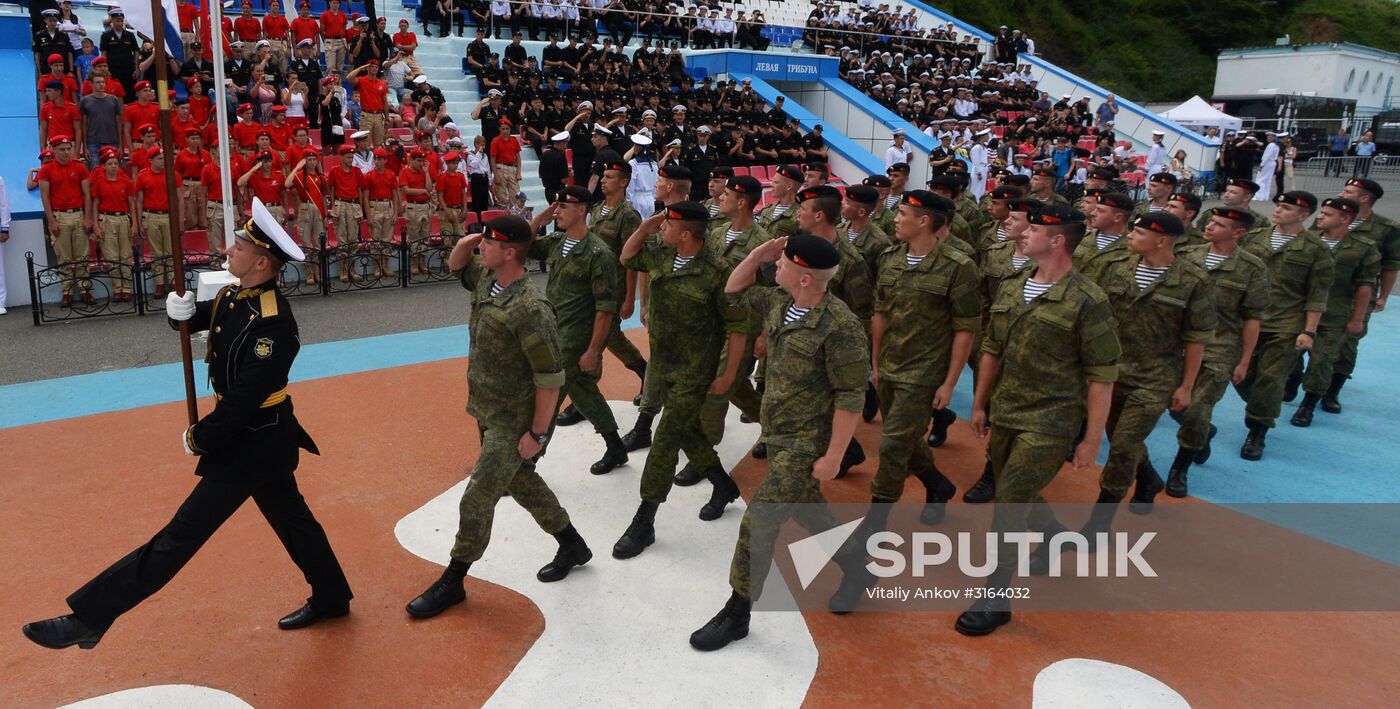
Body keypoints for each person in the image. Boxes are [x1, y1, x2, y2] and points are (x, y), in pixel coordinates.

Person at [22, 199, 354, 650]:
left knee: (179, 536)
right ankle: (333, 597)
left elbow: (243, 402)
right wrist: (178, 312)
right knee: (295, 523)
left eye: (237, 247)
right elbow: (199, 324)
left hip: (254, 443)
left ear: (260, 261)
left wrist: (202, 437)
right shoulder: (231, 296)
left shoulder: (275, 325)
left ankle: (89, 617)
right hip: (256, 440)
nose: (227, 251)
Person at [689, 234, 870, 651]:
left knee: (762, 519)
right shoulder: (778, 303)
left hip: (807, 441)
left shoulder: (839, 326)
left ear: (805, 278)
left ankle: (738, 612)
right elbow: (733, 288)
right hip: (778, 431)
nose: (776, 267)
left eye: (783, 262)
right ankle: (857, 565)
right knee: (809, 511)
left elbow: (850, 397)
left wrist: (834, 456)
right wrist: (757, 254)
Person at [405, 215, 590, 619]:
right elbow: (456, 265)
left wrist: (538, 434)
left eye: (489, 244)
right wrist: (474, 238)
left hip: (515, 420)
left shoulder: (529, 308)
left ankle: (453, 581)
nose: (480, 248)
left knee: (479, 496)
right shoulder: (489, 281)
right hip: (488, 408)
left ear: (510, 253)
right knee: (520, 481)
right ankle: (571, 542)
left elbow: (550, 378)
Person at [955, 204, 1120, 636]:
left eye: (1034, 228)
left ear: (1058, 239)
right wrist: (979, 403)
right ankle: (1052, 534)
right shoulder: (1015, 286)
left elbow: (1101, 376)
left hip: (1051, 418)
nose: (1022, 233)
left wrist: (1092, 440)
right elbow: (991, 348)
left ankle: (996, 597)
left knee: (1010, 500)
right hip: (1007, 409)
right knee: (1017, 488)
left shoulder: (1088, 299)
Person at [612, 201, 748, 561]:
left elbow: (737, 328)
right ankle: (723, 485)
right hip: (663, 365)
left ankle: (644, 521)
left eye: (668, 226)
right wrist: (644, 229)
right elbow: (628, 257)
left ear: (686, 234)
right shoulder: (662, 255)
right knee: (687, 431)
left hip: (694, 370)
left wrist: (729, 374)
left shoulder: (718, 272)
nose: (662, 230)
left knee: (665, 440)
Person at [1079, 212, 1214, 539]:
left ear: (1162, 240)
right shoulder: (1114, 267)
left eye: (1138, 233)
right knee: (1120, 438)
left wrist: (1186, 386)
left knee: (1123, 446)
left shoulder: (1194, 280)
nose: (1130, 236)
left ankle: (1100, 522)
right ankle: (1149, 478)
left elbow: (1196, 339)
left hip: (1154, 377)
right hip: (1111, 372)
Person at [526, 186, 630, 473]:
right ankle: (616, 447)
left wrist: (594, 350)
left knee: (550, 393)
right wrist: (540, 219)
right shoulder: (559, 242)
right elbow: (524, 244)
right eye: (556, 206)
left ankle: (529, 460)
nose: (557, 210)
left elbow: (606, 308)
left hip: (576, 336)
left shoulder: (599, 253)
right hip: (556, 330)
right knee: (583, 391)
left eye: (563, 206)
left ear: (582, 209)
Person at [1165, 208, 1267, 497]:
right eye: (1210, 221)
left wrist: (1245, 360)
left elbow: (1252, 318)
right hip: (1179, 345)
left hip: (1219, 348)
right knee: (1171, 404)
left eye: (1219, 224)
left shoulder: (1251, 267)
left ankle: (1180, 468)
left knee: (1197, 409)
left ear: (1239, 233)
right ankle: (1202, 434)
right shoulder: (1188, 256)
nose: (1209, 226)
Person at [1234, 191, 1332, 460]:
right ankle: (1265, 402)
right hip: (1248, 321)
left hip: (1286, 324)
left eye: (1286, 207)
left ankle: (1258, 431)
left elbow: (1318, 294)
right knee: (1241, 376)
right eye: (1278, 205)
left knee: (1270, 378)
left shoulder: (1315, 249)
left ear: (1303, 215)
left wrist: (1309, 331)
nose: (1277, 210)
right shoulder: (1254, 238)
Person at [1289, 198, 1379, 429]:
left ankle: (1308, 403)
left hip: (1335, 313)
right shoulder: (1307, 240)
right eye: (1322, 213)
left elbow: (1365, 285)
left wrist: (1357, 319)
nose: (1320, 217)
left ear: (1345, 219)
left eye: (1327, 214)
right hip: (1300, 311)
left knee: (1322, 361)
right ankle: (1292, 380)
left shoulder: (1362, 247)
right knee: (1290, 357)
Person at [1328, 178, 1400, 411]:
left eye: (1348, 191)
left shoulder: (1386, 228)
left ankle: (1332, 391)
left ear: (1364, 198)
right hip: (1322, 290)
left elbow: (1390, 264)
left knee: (1347, 343)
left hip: (1356, 294)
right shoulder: (1330, 217)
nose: (1341, 193)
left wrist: (1383, 297)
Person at [37, 135, 91, 307]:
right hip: (59, 215)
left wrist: (88, 216)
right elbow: (44, 196)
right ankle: (66, 292)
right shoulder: (46, 169)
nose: (66, 152)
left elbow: (87, 194)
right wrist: (51, 220)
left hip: (78, 214)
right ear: (53, 150)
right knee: (64, 258)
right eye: (62, 149)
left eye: (68, 148)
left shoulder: (79, 166)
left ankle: (85, 290)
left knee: (83, 255)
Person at [88, 146, 138, 302]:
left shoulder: (126, 182)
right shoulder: (98, 183)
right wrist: (96, 225)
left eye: (116, 163)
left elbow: (131, 204)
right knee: (111, 256)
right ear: (103, 166)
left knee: (125, 255)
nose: (113, 166)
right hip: (106, 219)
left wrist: (134, 224)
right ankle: (117, 288)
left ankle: (127, 287)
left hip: (123, 218)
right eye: (110, 163)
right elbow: (95, 206)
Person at [490, 118, 523, 210]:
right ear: (499, 129)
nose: (505, 131)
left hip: (512, 168)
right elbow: (492, 159)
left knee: (516, 196)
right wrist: (496, 175)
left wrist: (518, 172)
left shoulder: (514, 140)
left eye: (507, 129)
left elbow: (518, 158)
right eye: (503, 129)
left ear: (510, 129)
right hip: (500, 167)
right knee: (502, 199)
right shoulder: (495, 141)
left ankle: (514, 220)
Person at [1253, 133, 1280, 201]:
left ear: (1273, 137)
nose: (1267, 138)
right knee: (1267, 180)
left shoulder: (1271, 145)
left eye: (1269, 137)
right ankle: (1265, 196)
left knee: (1260, 179)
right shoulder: (1276, 145)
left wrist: (1262, 164)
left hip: (1267, 162)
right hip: (1272, 162)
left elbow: (1267, 156)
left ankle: (1259, 196)